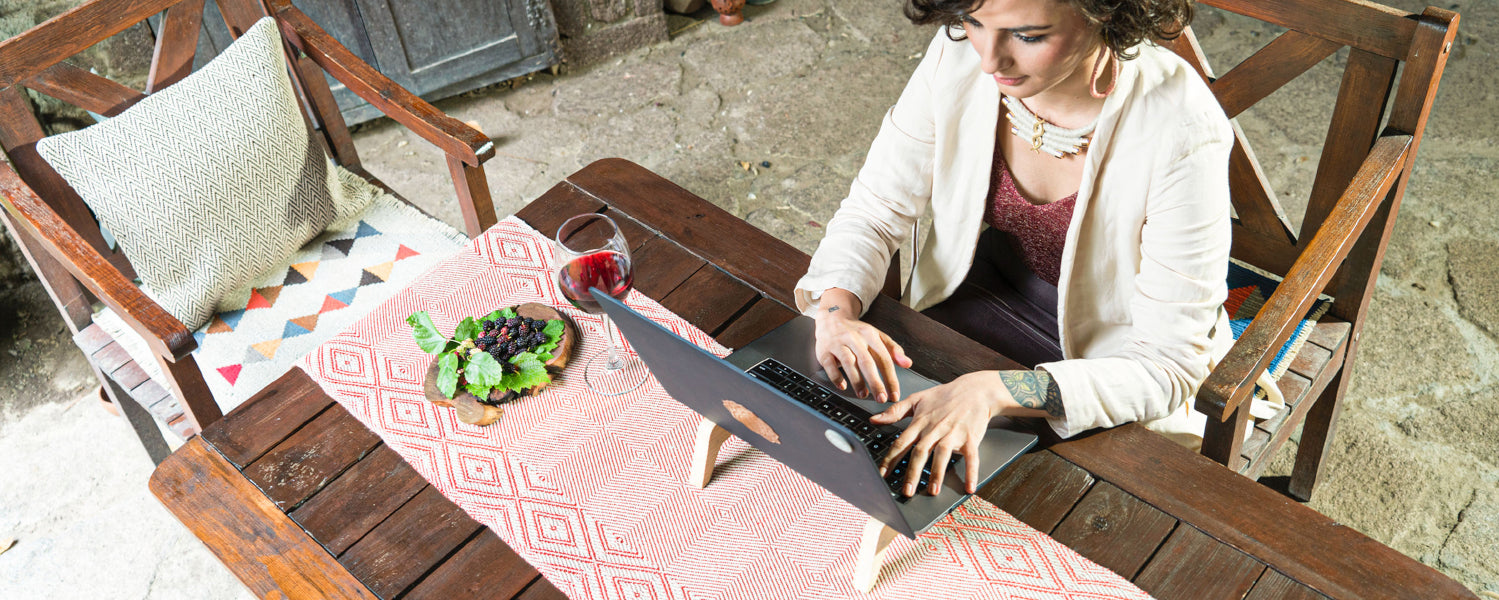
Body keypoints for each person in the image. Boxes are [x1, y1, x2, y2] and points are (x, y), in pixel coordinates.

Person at [794, 0, 1240, 498]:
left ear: (1107, 15)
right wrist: (834, 312)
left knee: (1011, 509)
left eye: (1027, 36)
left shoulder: (1182, 129)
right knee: (835, 452)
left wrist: (991, 390)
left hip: (1114, 361)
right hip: (979, 295)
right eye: (974, 22)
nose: (989, 60)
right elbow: (876, 208)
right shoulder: (957, 53)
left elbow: (1167, 365)